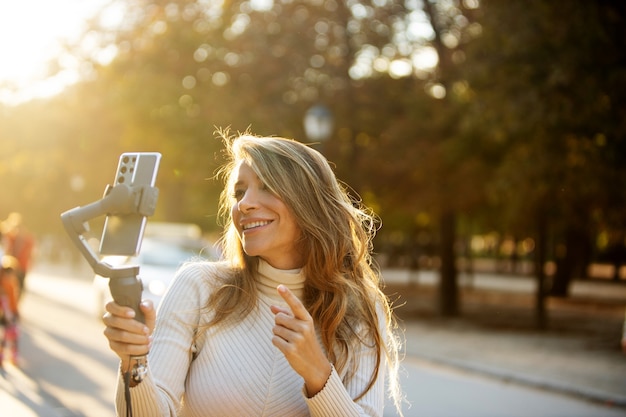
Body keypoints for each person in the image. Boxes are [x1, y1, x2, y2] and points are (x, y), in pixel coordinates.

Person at [102, 133, 404, 416]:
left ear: (310, 204)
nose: (244, 204)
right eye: (239, 191)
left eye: (268, 186)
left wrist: (318, 374)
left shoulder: (358, 312)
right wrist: (134, 361)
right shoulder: (199, 287)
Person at [3, 213, 35, 299]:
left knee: (18, 288)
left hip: (20, 267)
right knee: (11, 287)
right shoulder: (13, 236)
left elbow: (30, 254)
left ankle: (14, 307)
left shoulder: (27, 239)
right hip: (11, 266)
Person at [0, 255, 21, 367]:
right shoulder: (3, 285)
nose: (10, 275)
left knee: (12, 335)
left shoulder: (12, 283)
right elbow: (4, 301)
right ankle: (3, 356)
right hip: (5, 314)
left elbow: (14, 300)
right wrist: (7, 313)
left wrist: (16, 311)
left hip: (11, 313)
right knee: (5, 336)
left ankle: (13, 356)